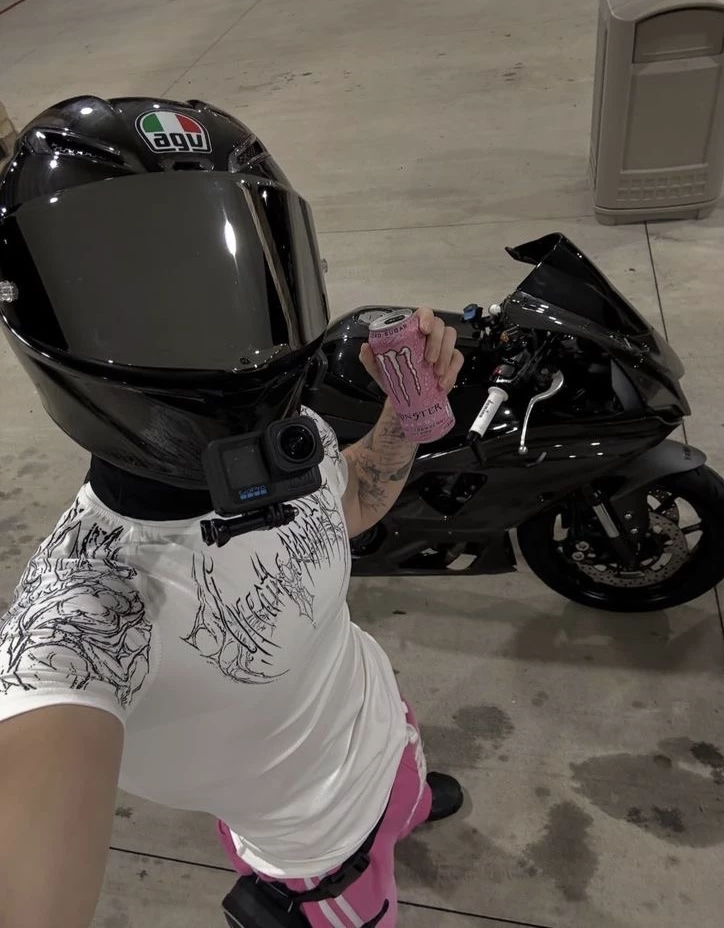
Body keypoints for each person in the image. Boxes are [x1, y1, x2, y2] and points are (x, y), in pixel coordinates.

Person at [0, 96, 465, 928]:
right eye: (161, 300)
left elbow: (351, 501)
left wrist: (403, 417)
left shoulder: (293, 440)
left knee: (410, 788)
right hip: (318, 848)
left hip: (384, 726)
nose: (226, 334)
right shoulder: (84, 615)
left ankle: (410, 800)